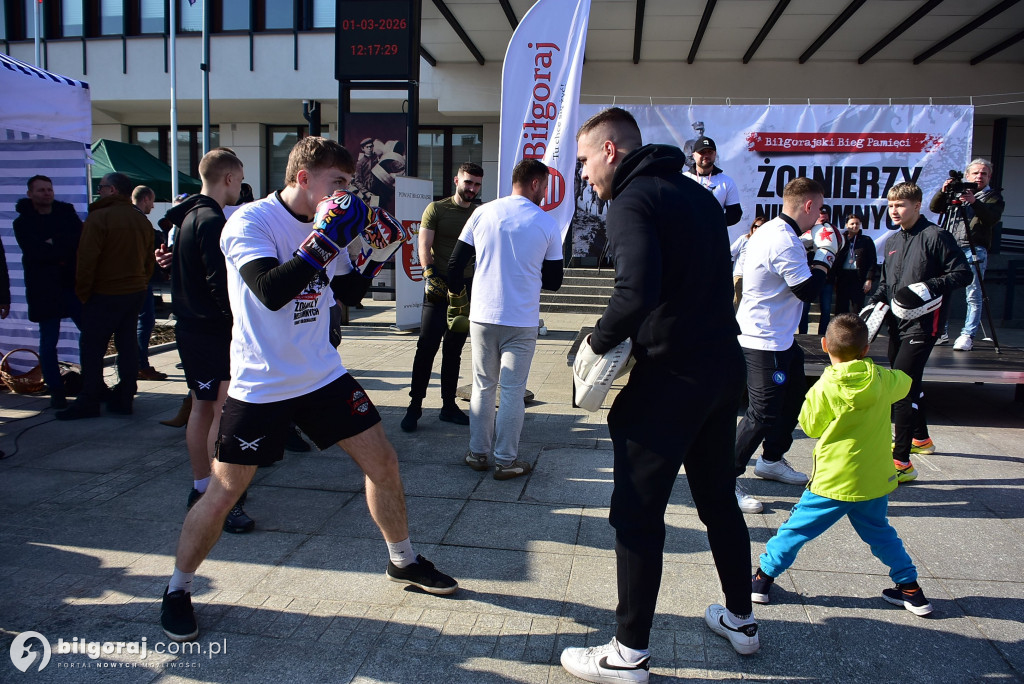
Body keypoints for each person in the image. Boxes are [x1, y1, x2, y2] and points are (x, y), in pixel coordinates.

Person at [159, 136, 457, 643]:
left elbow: (343, 293)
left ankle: (402, 559)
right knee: (224, 491)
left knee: (383, 462)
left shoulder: (327, 220)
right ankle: (178, 588)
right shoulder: (249, 222)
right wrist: (326, 237)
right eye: (336, 182)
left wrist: (372, 257)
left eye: (348, 183)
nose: (345, 193)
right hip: (262, 381)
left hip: (321, 374)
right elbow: (271, 291)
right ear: (303, 178)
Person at [559, 108, 758, 684]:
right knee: (718, 500)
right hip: (722, 370)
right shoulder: (698, 194)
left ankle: (629, 655)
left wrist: (594, 344)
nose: (584, 174)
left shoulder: (631, 198)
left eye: (585, 160)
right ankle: (741, 620)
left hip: (672, 379)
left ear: (611, 150)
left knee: (637, 514)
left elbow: (635, 292)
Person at [750, 314, 933, 617]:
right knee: (881, 533)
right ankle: (911, 590)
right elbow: (905, 383)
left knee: (796, 529)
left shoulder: (825, 387)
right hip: (873, 478)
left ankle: (762, 579)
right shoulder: (882, 379)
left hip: (834, 480)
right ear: (866, 348)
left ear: (824, 345)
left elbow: (810, 426)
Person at [447, 159, 563, 479]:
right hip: (521, 319)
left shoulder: (482, 213)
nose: (545, 193)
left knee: (483, 386)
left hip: (483, 315)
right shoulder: (546, 222)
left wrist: (460, 298)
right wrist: (527, 270)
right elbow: (554, 281)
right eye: (545, 186)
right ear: (535, 183)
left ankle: (477, 453)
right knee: (512, 391)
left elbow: (455, 265)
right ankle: (505, 461)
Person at [734, 178, 841, 514]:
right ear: (808, 205)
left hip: (780, 337)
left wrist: (812, 247)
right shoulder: (782, 239)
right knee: (763, 412)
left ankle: (771, 460)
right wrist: (825, 256)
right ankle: (722, 477)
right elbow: (807, 291)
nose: (820, 216)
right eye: (819, 208)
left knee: (795, 398)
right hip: (763, 340)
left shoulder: (776, 231)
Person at [163, 149, 255, 534]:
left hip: (190, 328)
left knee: (202, 407)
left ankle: (202, 487)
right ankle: (219, 495)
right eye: (240, 179)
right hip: (211, 331)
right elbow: (221, 284)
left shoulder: (188, 215)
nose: (240, 187)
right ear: (229, 178)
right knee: (221, 410)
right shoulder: (212, 219)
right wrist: (240, 323)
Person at [868, 182, 970, 480]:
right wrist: (871, 306)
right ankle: (920, 438)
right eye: (890, 206)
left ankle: (901, 462)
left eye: (900, 205)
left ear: (916, 205)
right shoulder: (892, 241)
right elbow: (886, 284)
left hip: (924, 325)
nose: (894, 210)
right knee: (910, 383)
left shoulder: (936, 236)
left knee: (900, 387)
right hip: (896, 325)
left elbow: (962, 273)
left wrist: (930, 286)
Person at [57, 172, 154, 420]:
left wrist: (83, 292)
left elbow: (87, 259)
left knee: (92, 347)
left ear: (112, 190)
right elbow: (148, 261)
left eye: (101, 187)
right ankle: (125, 396)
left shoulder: (100, 217)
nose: (98, 191)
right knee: (127, 344)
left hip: (105, 291)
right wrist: (141, 283)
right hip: (134, 291)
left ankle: (89, 399)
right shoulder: (140, 219)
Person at [400, 162, 484, 432]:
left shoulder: (480, 213)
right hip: (438, 285)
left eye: (477, 184)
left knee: (454, 349)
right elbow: (423, 245)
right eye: (468, 182)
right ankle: (414, 406)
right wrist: (429, 275)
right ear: (456, 180)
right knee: (426, 346)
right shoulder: (436, 209)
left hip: (465, 288)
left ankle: (448, 406)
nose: (472, 188)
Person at [12, 175, 83, 408]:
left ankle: (93, 382)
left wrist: (53, 244)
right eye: (41, 190)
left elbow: (78, 240)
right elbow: (35, 251)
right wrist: (58, 247)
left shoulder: (66, 213)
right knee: (48, 339)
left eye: (49, 189)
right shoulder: (22, 222)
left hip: (70, 284)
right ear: (30, 194)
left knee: (91, 332)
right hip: (43, 288)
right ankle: (55, 388)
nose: (47, 193)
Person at [929, 159, 1004, 351]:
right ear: (967, 175)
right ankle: (941, 332)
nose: (979, 176)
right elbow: (935, 208)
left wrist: (974, 202)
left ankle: (967, 334)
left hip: (974, 248)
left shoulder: (993, 197)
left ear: (989, 177)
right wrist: (943, 192)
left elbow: (991, 219)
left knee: (973, 294)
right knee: (942, 290)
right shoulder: (956, 191)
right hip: (950, 247)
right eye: (976, 173)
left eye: (984, 173)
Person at [132, 185, 168, 382]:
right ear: (145, 199)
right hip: (138, 280)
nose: (153, 206)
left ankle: (137, 365)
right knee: (144, 322)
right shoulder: (138, 220)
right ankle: (140, 365)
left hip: (133, 279)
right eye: (152, 201)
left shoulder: (129, 218)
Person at [682, 136, 742, 226]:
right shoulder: (683, 179)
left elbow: (735, 214)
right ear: (693, 155)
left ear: (715, 154)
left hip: (715, 233)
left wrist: (714, 224)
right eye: (702, 152)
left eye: (710, 152)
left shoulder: (726, 181)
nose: (706, 155)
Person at [799, 207, 837, 336]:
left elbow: (836, 255)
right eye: (820, 214)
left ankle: (822, 335)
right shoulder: (806, 233)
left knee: (826, 309)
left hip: (827, 279)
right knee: (804, 308)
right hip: (808, 276)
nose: (822, 217)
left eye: (824, 215)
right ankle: (802, 334)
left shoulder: (833, 233)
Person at [833, 214, 877, 315]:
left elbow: (872, 261)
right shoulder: (841, 240)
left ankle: (856, 326)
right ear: (846, 225)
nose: (854, 226)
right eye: (852, 224)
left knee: (857, 308)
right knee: (841, 308)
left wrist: (869, 279)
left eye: (857, 224)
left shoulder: (866, 240)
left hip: (858, 277)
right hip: (843, 277)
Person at [731, 216, 764, 311]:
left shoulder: (766, 243)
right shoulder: (744, 239)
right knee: (737, 305)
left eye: (760, 227)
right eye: (755, 226)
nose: (757, 229)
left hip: (755, 279)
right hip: (740, 276)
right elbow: (730, 252)